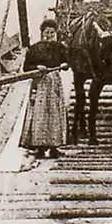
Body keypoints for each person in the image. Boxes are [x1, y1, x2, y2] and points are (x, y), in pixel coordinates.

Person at [19, 19, 70, 159]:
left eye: (52, 33)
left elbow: (67, 62)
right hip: (40, 83)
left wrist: (65, 64)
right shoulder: (34, 48)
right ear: (42, 33)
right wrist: (37, 68)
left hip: (54, 84)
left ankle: (54, 148)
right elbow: (26, 68)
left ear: (56, 33)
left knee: (55, 114)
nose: (49, 35)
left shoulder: (60, 47)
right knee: (39, 115)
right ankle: (40, 148)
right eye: (46, 33)